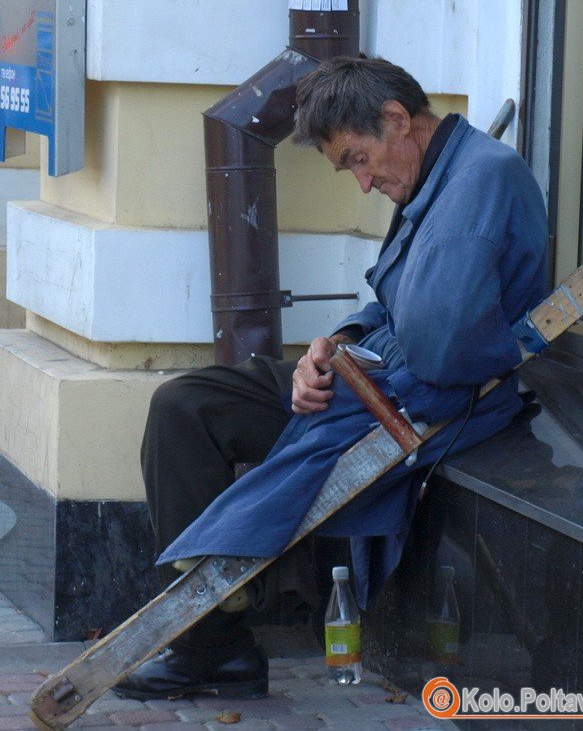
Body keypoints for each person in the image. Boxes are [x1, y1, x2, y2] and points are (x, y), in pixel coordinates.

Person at [113, 56, 549, 701]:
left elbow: (439, 356)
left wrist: (352, 374)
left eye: (357, 159)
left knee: (217, 421)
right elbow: (390, 303)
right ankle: (220, 647)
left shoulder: (479, 180)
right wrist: (336, 345)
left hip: (419, 400)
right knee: (188, 404)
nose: (363, 183)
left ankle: (207, 643)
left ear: (397, 120)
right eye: (350, 167)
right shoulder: (434, 174)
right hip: (376, 377)